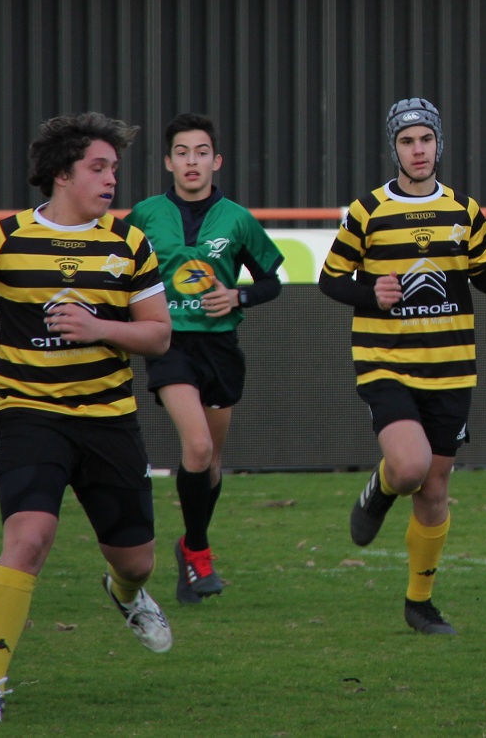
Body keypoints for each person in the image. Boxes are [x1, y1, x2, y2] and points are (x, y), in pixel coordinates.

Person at [0, 113, 174, 726]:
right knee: (27, 539)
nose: (112, 178)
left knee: (136, 560)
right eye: (99, 167)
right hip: (31, 416)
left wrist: (101, 328)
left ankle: (127, 593)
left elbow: (159, 335)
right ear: (62, 174)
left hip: (109, 420)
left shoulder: (129, 244)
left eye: (114, 168)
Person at [318, 97, 486, 636]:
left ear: (439, 145)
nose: (418, 150)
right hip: (386, 360)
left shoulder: (464, 210)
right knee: (409, 470)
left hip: (452, 368)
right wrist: (371, 291)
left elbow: (482, 278)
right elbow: (331, 279)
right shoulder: (367, 211)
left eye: (426, 140)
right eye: (408, 141)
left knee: (434, 490)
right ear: (395, 148)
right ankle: (381, 488)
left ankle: (420, 603)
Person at [127, 113, 285, 605]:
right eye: (181, 152)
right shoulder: (146, 215)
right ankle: (199, 553)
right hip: (169, 344)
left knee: (211, 462)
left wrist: (237, 298)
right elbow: (118, 274)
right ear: (168, 161)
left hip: (220, 348)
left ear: (215, 161)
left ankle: (190, 549)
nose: (191, 161)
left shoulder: (237, 218)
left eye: (200, 152)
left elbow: (271, 282)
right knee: (195, 449)